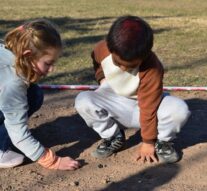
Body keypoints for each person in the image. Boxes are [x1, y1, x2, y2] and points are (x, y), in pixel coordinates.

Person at [75, 15, 191, 163]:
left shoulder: (152, 68)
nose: (123, 68)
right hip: (116, 102)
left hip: (146, 108)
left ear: (144, 55)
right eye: (118, 62)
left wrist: (148, 142)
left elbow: (148, 107)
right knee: (83, 100)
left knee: (179, 110)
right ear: (110, 47)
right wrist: (102, 79)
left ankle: (162, 142)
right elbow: (96, 60)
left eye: (130, 66)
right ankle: (113, 136)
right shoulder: (102, 49)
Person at [0, 19, 80, 170]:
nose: (51, 70)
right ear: (28, 56)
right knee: (32, 95)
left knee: (33, 92)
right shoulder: (14, 82)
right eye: (48, 63)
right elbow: (19, 134)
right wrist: (53, 161)